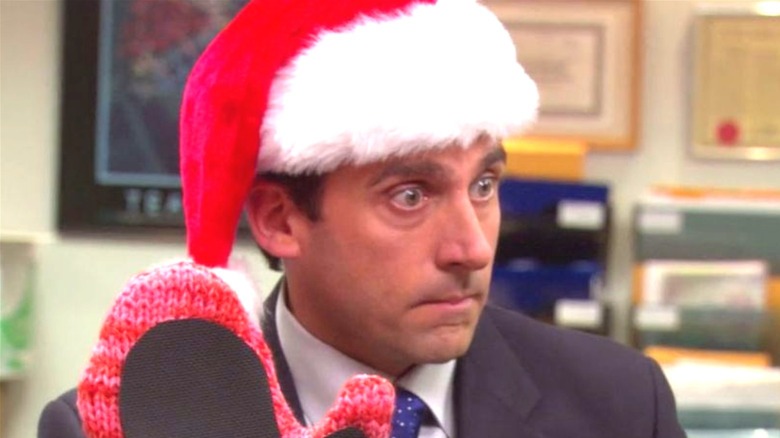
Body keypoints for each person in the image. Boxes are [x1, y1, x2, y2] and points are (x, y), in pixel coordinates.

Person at [40, 0, 687, 436]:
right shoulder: (135, 423)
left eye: (484, 186)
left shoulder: (622, 403)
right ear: (279, 220)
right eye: (410, 196)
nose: (471, 248)